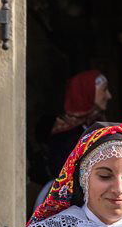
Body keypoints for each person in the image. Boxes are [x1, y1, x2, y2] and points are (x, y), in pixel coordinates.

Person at [36, 70, 112, 209]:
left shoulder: (99, 125)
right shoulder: (65, 133)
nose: (109, 96)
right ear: (86, 92)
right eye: (104, 90)